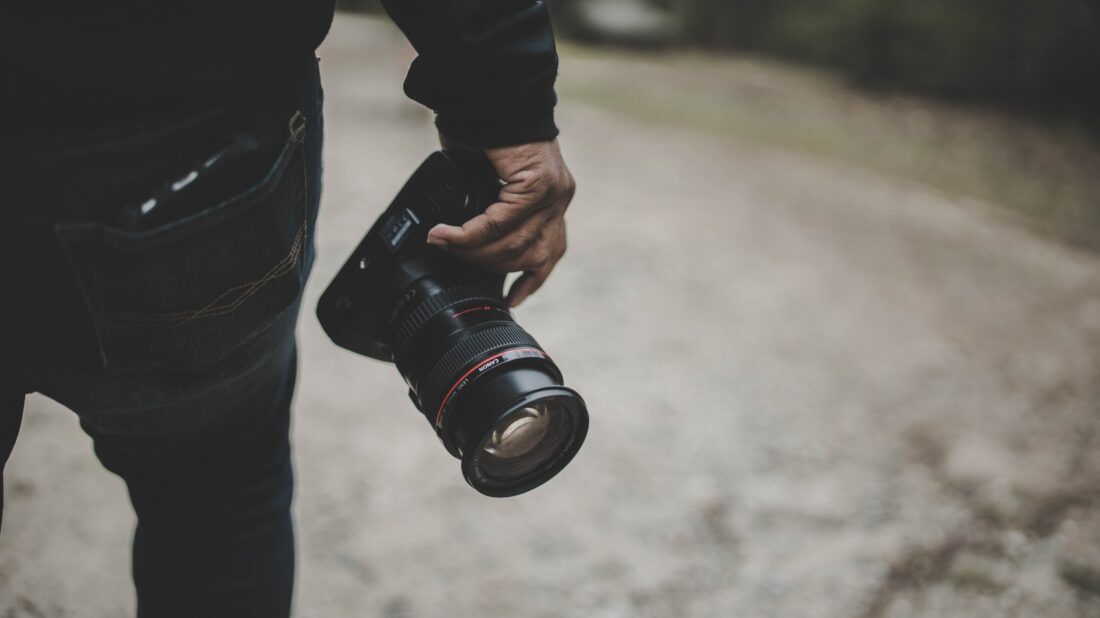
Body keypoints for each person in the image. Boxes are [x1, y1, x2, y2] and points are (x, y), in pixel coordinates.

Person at [0, 1, 575, 615]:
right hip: (189, 129)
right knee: (215, 486)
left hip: (154, 102)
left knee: (218, 484)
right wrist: (507, 103)